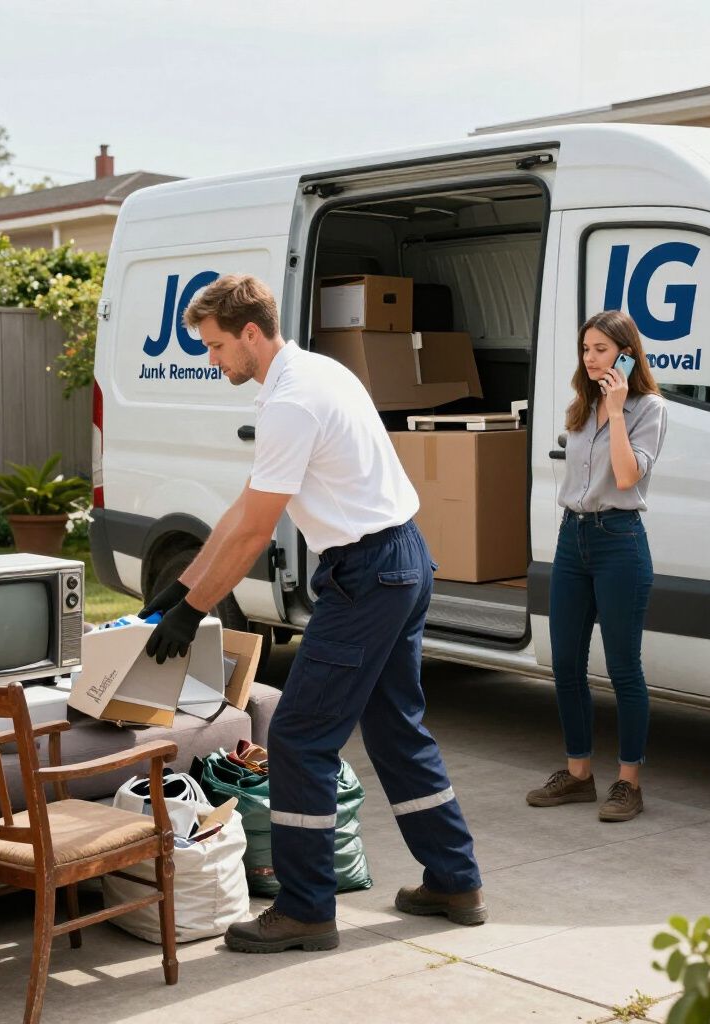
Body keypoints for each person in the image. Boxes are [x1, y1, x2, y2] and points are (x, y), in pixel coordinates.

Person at [139, 273, 485, 953]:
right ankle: (455, 878)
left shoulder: (292, 401)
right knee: (395, 729)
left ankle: (305, 908)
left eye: (214, 347)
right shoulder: (314, 373)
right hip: (401, 559)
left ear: (249, 332)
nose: (212, 361)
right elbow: (243, 506)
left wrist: (195, 610)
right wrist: (181, 591)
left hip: (368, 574)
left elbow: (254, 531)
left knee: (298, 737)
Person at [527, 310, 667, 822]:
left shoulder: (648, 408)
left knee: (624, 667)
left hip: (619, 542)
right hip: (574, 538)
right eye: (586, 349)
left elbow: (627, 477)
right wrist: (599, 406)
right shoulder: (579, 409)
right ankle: (579, 775)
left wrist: (615, 407)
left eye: (602, 350)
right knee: (565, 663)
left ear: (626, 354)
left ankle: (629, 783)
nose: (590, 358)